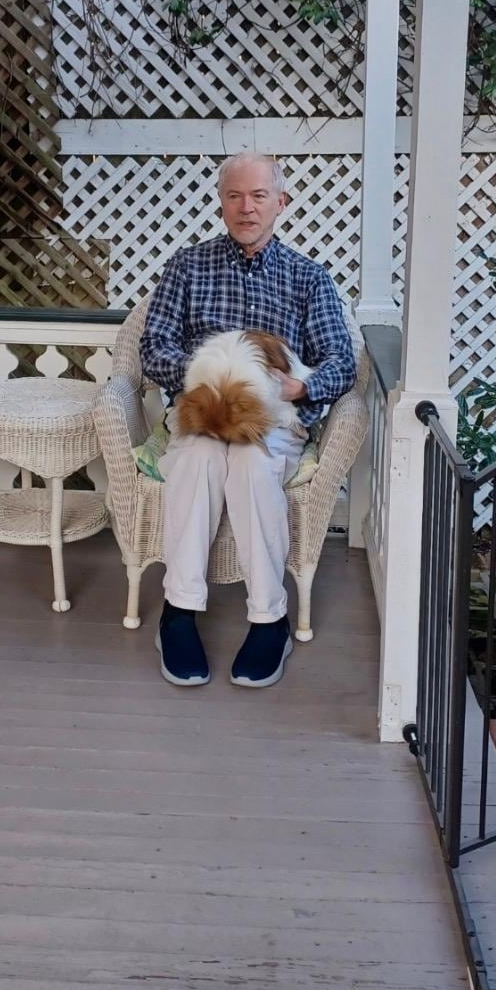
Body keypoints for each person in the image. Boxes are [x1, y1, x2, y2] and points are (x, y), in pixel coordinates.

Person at [141, 153, 356, 690]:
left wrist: (299, 386)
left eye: (259, 195)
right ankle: (179, 610)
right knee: (197, 461)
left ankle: (269, 617)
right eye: (235, 195)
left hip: (275, 418)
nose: (247, 206)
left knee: (253, 468)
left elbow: (341, 361)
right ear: (221, 202)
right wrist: (205, 378)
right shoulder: (187, 266)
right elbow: (153, 347)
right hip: (201, 410)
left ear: (281, 203)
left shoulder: (308, 277)